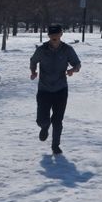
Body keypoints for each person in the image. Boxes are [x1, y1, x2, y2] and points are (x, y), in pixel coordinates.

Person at [30, 25, 81, 155]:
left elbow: (77, 64)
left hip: (61, 90)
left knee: (57, 120)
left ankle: (55, 146)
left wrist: (72, 70)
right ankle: (45, 127)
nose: (54, 37)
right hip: (44, 89)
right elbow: (33, 60)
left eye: (56, 34)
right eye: (51, 35)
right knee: (42, 120)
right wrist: (33, 71)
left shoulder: (67, 50)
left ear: (61, 35)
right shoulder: (42, 50)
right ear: (48, 36)